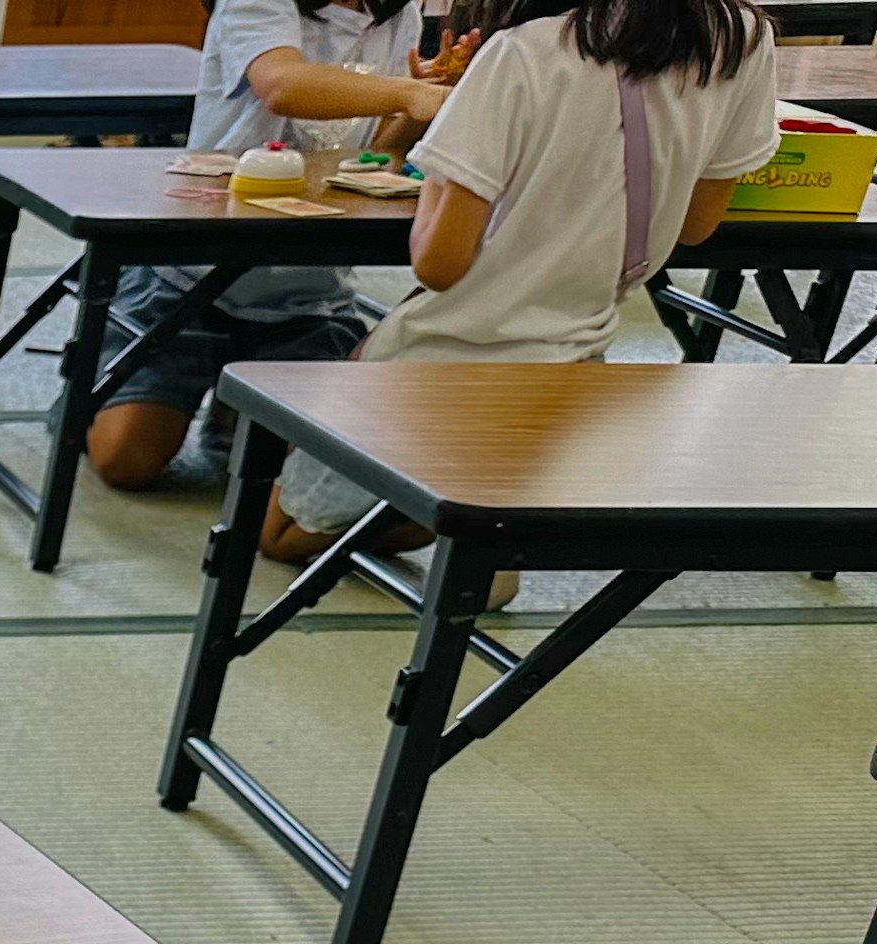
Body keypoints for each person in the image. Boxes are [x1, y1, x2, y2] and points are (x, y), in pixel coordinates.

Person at [267, 0, 780, 558]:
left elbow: (439, 265)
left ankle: (474, 524)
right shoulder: (739, 37)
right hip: (578, 352)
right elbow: (698, 226)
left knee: (277, 538)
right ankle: (499, 506)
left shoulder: (522, 52)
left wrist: (446, 164)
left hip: (446, 356)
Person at [84, 0, 458, 498]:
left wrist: (423, 103)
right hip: (190, 278)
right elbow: (282, 85)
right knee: (126, 460)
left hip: (309, 296)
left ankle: (233, 406)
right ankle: (103, 372)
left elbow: (371, 159)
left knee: (277, 473)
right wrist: (408, 92)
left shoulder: (397, 15)